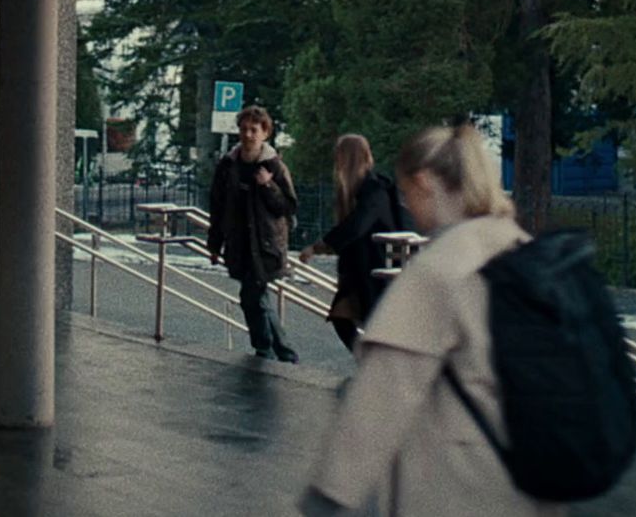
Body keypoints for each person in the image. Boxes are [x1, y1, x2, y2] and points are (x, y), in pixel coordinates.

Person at [300, 125, 563, 517]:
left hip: (455, 481)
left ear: (423, 184)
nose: (407, 208)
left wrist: (331, 492)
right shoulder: (523, 251)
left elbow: (382, 395)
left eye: (407, 195)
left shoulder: (439, 269)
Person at [206, 104, 300, 363]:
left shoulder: (274, 166)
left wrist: (267, 185)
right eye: (244, 129)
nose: (248, 135)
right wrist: (214, 244)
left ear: (265, 133)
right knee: (257, 297)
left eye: (254, 130)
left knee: (252, 296)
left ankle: (266, 350)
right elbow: (217, 206)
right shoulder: (228, 165)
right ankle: (283, 353)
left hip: (265, 245)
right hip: (239, 244)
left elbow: (288, 206)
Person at [299, 134, 402, 352]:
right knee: (345, 318)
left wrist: (319, 246)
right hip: (363, 270)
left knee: (370, 324)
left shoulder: (374, 190)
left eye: (339, 157)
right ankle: (370, 365)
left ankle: (374, 367)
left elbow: (356, 226)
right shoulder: (366, 191)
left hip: (375, 269)